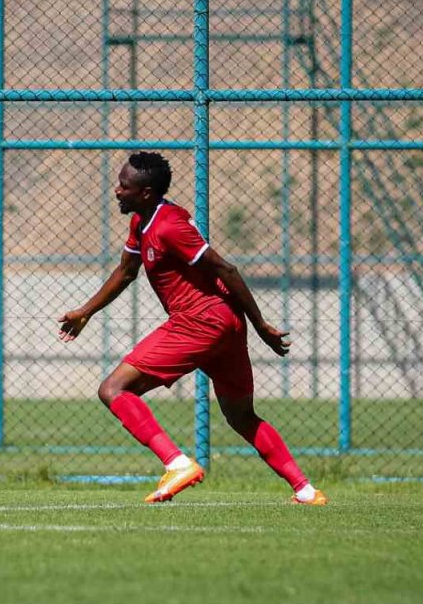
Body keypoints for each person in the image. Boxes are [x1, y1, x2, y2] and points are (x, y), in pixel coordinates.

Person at [59, 151, 326, 506]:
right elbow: (126, 272)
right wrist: (85, 312)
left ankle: (177, 463)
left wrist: (261, 324)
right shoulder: (142, 222)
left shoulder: (170, 226)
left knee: (113, 388)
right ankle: (306, 490)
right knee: (241, 415)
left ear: (147, 192)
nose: (117, 191)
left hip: (200, 322)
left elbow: (226, 270)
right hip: (225, 325)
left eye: (125, 186)